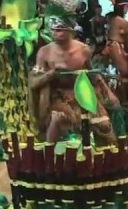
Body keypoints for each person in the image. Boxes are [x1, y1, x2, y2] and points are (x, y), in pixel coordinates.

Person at [29, 10, 118, 146]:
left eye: (59, 30)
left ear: (70, 31)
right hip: (58, 97)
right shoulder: (44, 52)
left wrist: (108, 92)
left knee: (104, 124)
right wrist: (51, 74)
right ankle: (49, 158)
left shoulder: (83, 50)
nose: (55, 33)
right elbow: (33, 82)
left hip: (83, 93)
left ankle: (105, 157)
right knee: (56, 119)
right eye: (53, 30)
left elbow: (93, 74)